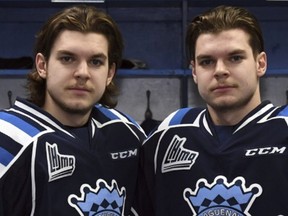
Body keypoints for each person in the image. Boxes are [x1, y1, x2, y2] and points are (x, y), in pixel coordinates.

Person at [136, 5, 288, 215]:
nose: (220, 71)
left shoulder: (284, 128)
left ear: (260, 64)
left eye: (235, 58)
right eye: (207, 61)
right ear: (194, 72)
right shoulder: (168, 133)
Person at [0, 5, 146, 216]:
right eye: (67, 58)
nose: (82, 73)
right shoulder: (7, 138)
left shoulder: (128, 133)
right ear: (42, 65)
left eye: (96, 61)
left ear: (110, 73)